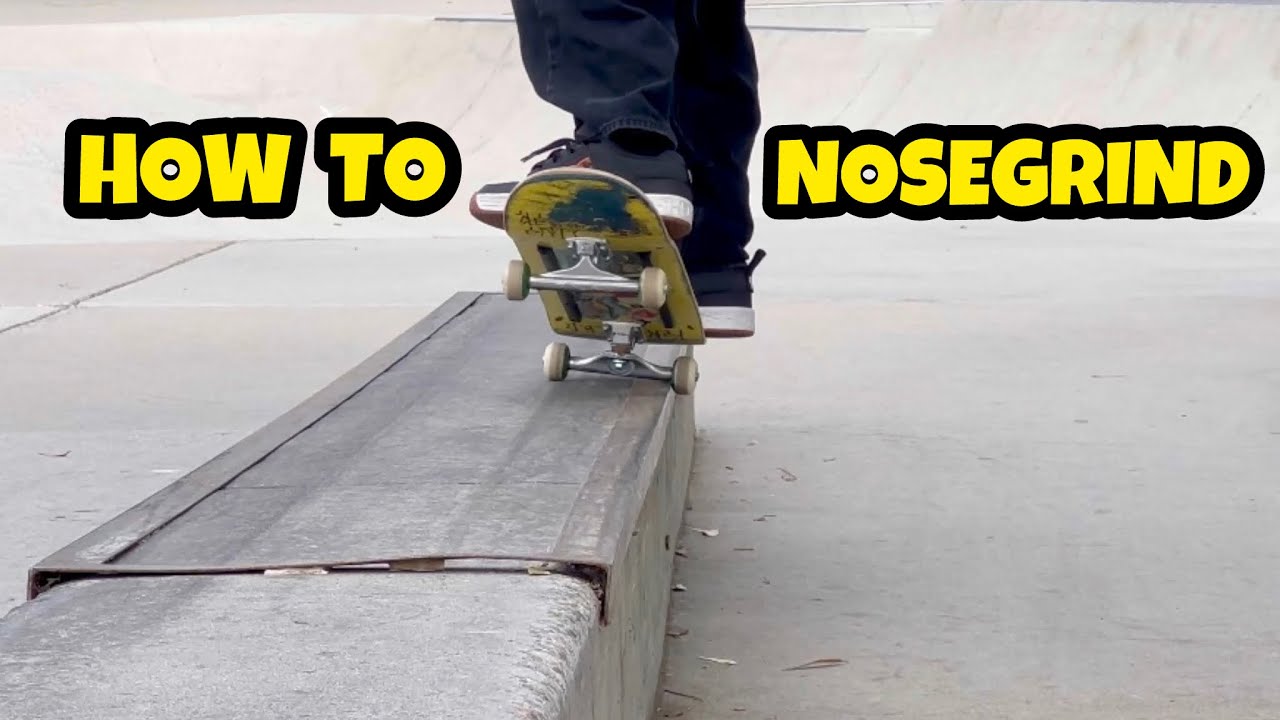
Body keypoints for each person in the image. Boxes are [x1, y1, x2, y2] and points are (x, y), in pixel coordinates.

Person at [469, 1, 766, 338]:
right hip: (715, 223)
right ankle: (708, 258)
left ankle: (625, 149)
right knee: (700, 15)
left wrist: (626, 130)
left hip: (627, 139)